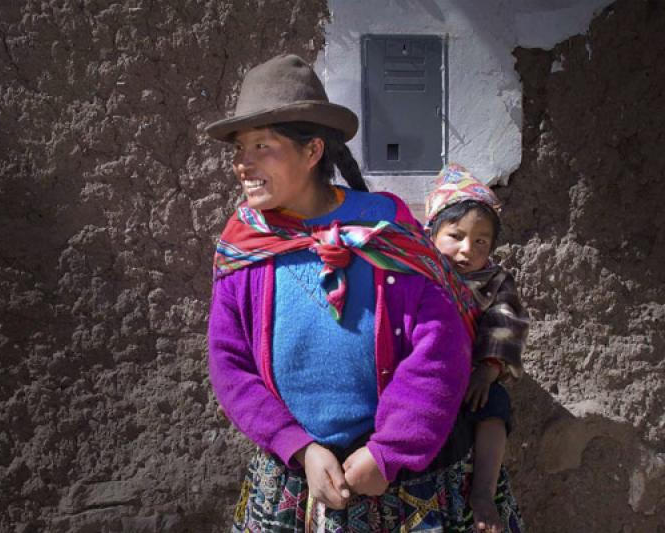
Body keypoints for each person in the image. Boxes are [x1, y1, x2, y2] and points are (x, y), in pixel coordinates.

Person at [206, 54, 478, 531]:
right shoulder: (245, 243)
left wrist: (389, 451)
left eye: (262, 146)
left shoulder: (383, 229)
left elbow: (440, 348)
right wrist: (297, 445)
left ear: (312, 152)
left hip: (394, 485)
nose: (242, 164)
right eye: (239, 148)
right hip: (294, 478)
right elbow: (229, 362)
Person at [424, 163, 530, 532]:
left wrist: (487, 370)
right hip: (421, 377)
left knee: (494, 407)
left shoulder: (494, 281)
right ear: (431, 233)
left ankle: (483, 491)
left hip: (471, 380)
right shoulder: (417, 273)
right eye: (455, 235)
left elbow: (506, 323)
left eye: (481, 241)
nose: (467, 250)